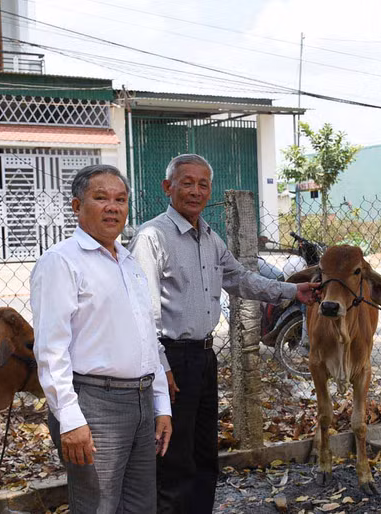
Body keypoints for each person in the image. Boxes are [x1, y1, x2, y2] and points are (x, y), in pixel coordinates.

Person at [128, 154, 319, 513]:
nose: (196, 191)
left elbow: (240, 279)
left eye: (203, 184)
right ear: (167, 187)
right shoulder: (152, 237)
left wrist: (294, 292)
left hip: (203, 357)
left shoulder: (210, 237)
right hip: (170, 360)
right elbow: (141, 313)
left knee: (203, 452)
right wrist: (160, 366)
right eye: (187, 182)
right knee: (173, 455)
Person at [31, 164, 172, 513]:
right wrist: (70, 417)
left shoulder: (128, 262)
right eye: (101, 198)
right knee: (98, 506)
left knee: (140, 506)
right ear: (77, 206)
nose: (113, 207)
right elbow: (51, 350)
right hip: (94, 403)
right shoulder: (61, 262)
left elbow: (148, 340)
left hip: (140, 402)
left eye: (121, 199)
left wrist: (161, 406)